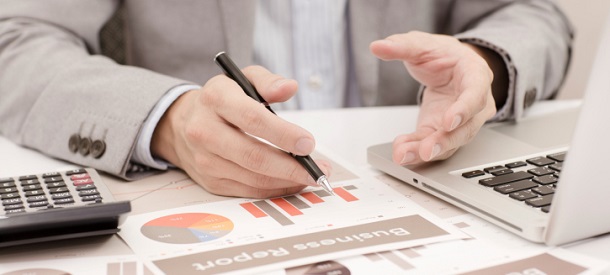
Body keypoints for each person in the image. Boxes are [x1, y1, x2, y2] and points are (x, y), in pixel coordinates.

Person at [0, 1, 572, 198]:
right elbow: (17, 39)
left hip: (413, 176)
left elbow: (534, 14)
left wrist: (485, 64)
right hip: (195, 193)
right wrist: (167, 118)